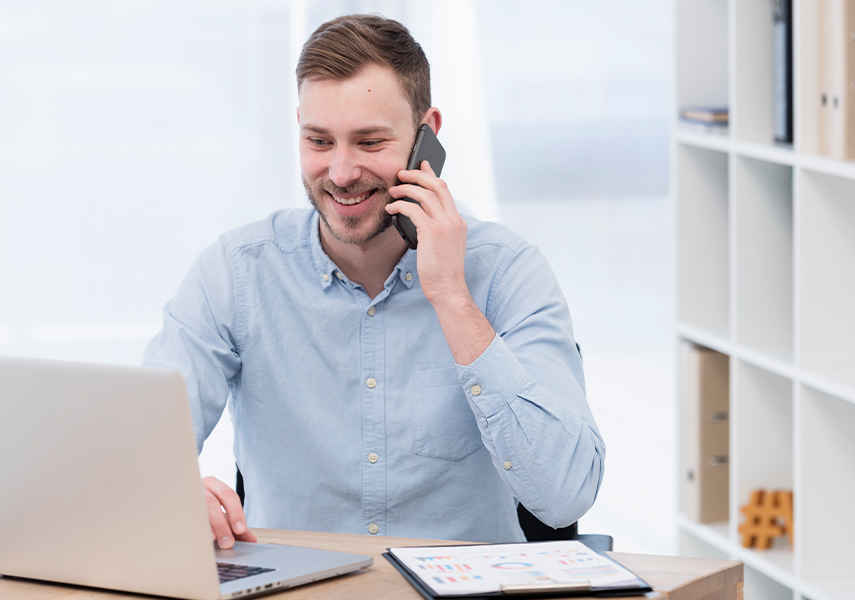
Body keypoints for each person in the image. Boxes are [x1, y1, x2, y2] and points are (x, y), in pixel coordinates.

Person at [143, 14, 605, 548]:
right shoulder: (238, 271)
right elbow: (142, 450)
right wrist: (174, 491)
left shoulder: (506, 271)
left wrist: (452, 298)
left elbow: (566, 495)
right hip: (297, 590)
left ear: (425, 134)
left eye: (369, 143)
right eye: (319, 141)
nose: (340, 172)